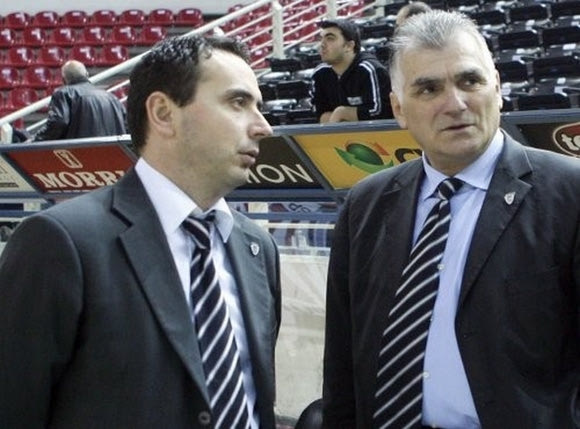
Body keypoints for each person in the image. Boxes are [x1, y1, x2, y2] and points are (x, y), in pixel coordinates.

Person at [0, 35, 281, 429]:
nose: (263, 127)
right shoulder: (59, 242)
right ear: (163, 113)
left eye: (259, 107)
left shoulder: (258, 247)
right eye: (238, 103)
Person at [323, 10, 580, 429]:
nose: (455, 104)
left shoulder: (570, 194)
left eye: (470, 81)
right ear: (399, 108)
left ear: (497, 88)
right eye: (428, 89)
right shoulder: (365, 205)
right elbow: (342, 362)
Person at [311, 19, 392, 123]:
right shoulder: (320, 73)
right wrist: (342, 116)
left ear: (349, 46)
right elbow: (319, 114)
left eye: (330, 38)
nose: (321, 44)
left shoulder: (370, 70)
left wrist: (342, 113)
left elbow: (381, 113)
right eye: (320, 38)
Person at [33, 60, 127, 141]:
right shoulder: (111, 97)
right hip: (112, 152)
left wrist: (35, 140)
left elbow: (58, 123)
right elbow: (126, 124)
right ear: (87, 75)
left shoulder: (64, 94)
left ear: (63, 80)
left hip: (80, 153)